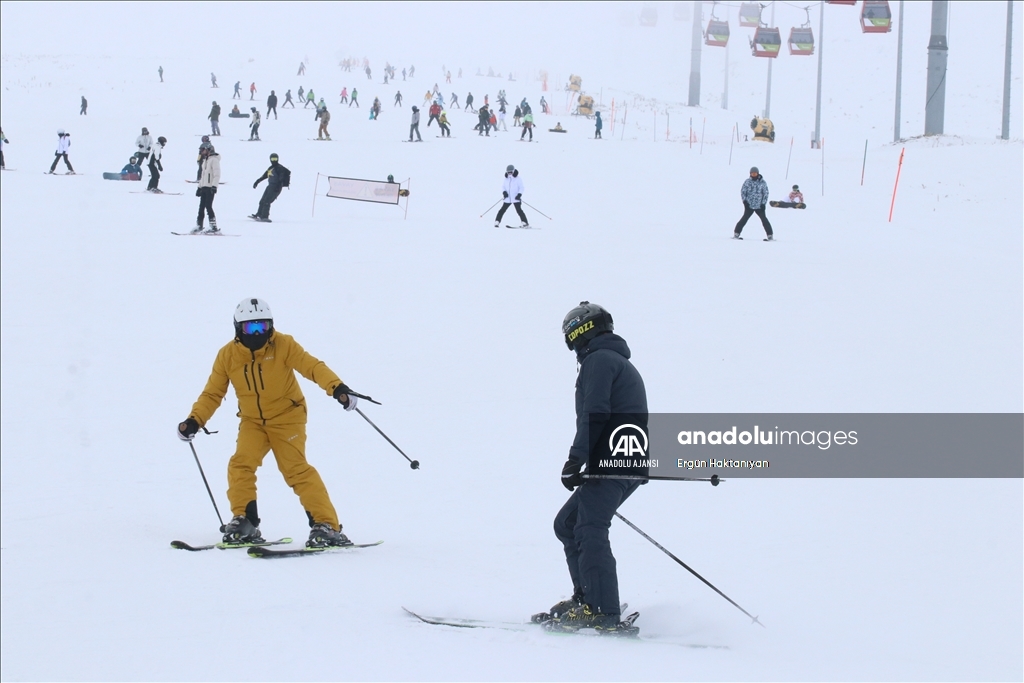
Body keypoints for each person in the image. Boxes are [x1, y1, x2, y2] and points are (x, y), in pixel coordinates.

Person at [177, 298, 360, 548]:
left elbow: (312, 367)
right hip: (253, 421)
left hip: (287, 417)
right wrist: (194, 420)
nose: (257, 333)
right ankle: (244, 521)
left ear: (271, 327)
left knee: (295, 469)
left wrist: (337, 387)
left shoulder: (283, 345)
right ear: (238, 329)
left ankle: (327, 525)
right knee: (241, 463)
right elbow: (213, 393)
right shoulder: (228, 356)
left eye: (262, 327)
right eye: (250, 328)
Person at [539, 301, 646, 636]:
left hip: (614, 459)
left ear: (581, 330)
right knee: (568, 524)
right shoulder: (607, 359)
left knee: (588, 527)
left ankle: (602, 611)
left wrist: (576, 459)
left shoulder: (599, 360)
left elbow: (595, 414)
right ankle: (587, 599)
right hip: (620, 458)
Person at [733, 167, 773, 240]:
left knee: (764, 220)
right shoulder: (747, 182)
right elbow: (743, 192)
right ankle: (736, 233)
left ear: (758, 173)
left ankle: (770, 235)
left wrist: (763, 204)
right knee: (744, 219)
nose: (754, 174)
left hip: (759, 206)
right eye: (752, 173)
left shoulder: (763, 182)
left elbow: (766, 193)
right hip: (749, 205)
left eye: (755, 173)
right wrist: (745, 202)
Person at [250, 153, 290, 221]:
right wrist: (257, 181)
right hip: (270, 186)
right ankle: (259, 214)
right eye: (272, 159)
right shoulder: (271, 168)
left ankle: (265, 216)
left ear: (278, 159)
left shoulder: (280, 168)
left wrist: (278, 186)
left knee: (267, 201)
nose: (274, 160)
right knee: (262, 200)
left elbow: (281, 178)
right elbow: (264, 176)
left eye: (275, 159)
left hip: (276, 187)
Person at [191, 144, 220, 234]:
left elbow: (217, 175)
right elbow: (203, 176)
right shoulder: (205, 160)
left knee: (208, 206)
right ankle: (199, 225)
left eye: (203, 150)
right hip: (204, 186)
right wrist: (199, 187)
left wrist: (214, 186)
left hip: (210, 187)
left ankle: (213, 226)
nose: (201, 151)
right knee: (201, 207)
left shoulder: (214, 160)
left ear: (208, 150)